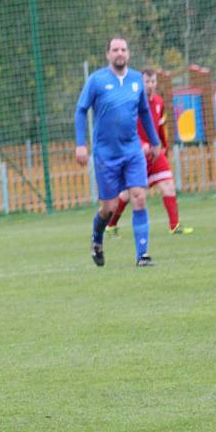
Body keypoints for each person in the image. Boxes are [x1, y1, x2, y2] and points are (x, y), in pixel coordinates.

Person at [75, 37, 162, 267]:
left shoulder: (136, 80)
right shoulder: (96, 80)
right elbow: (80, 110)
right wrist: (80, 144)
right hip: (106, 155)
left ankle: (142, 255)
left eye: (123, 49)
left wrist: (154, 142)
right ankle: (97, 239)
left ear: (129, 54)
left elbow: (144, 112)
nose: (119, 53)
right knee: (109, 208)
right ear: (108, 55)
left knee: (139, 198)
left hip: (132, 150)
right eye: (115, 50)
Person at [106, 69, 193, 236]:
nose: (151, 85)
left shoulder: (159, 102)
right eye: (147, 82)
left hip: (155, 154)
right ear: (140, 83)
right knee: (127, 194)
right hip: (135, 155)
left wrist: (164, 147)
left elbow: (160, 128)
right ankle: (111, 224)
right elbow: (124, 129)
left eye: (153, 81)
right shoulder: (131, 103)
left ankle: (174, 226)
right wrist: (140, 144)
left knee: (168, 184)